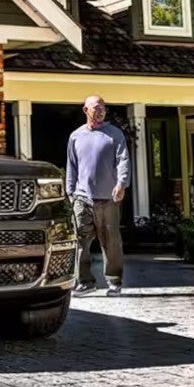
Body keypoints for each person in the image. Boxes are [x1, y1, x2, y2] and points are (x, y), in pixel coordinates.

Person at [66, 95, 131, 297]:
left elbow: (123, 161)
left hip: (108, 199)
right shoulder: (75, 136)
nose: (101, 111)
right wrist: (70, 192)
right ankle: (85, 282)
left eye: (103, 107)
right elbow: (72, 166)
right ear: (86, 110)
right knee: (80, 241)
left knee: (111, 241)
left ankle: (114, 281)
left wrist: (121, 183)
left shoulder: (114, 134)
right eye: (96, 107)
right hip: (82, 197)